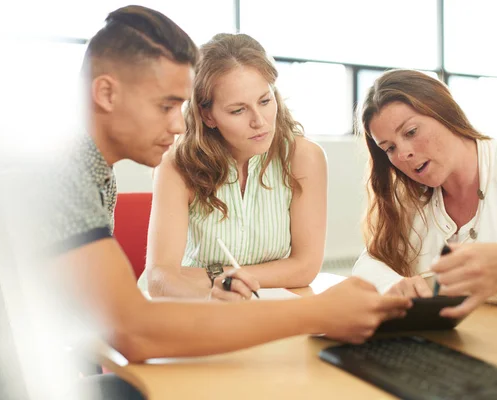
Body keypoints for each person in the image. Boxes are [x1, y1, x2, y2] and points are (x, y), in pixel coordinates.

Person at [34, 3, 411, 387]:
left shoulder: (93, 171)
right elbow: (135, 331)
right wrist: (317, 314)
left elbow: (113, 319)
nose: (180, 123)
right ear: (106, 93)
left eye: (265, 100)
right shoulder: (66, 174)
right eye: (166, 105)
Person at [352, 69, 497, 319]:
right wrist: (389, 285)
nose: (403, 154)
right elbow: (369, 262)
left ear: (445, 112)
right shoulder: (413, 200)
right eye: (389, 148)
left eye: (411, 132)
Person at [136, 33, 327, 301]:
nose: (259, 121)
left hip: (267, 307)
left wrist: (215, 276)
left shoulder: (304, 158)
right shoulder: (176, 165)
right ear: (208, 115)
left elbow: (305, 267)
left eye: (265, 100)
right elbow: (160, 279)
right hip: (192, 307)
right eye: (238, 110)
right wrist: (216, 292)